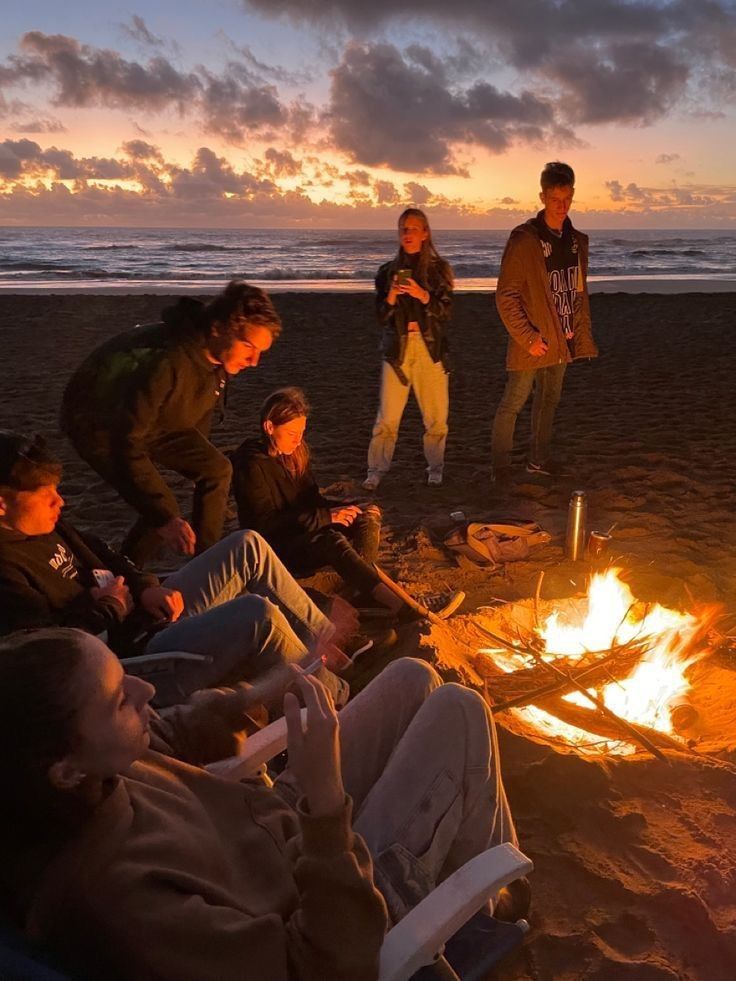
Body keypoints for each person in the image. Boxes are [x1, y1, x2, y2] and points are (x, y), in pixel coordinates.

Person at [0, 627, 520, 980]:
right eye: (119, 698)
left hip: (281, 834)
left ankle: (488, 893)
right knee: (460, 711)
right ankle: (495, 903)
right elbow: (322, 965)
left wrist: (251, 695)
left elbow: (169, 729)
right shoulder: (117, 901)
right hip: (343, 910)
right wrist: (324, 799)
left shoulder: (94, 771)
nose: (146, 689)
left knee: (412, 676)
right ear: (64, 769)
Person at [0, 430, 352, 708]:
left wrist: (145, 587)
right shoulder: (8, 571)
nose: (60, 501)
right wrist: (108, 608)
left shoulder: (45, 525)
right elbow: (48, 660)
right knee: (257, 614)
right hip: (131, 662)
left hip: (146, 615)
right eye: (45, 495)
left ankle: (331, 650)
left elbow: (109, 555)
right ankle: (338, 696)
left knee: (248, 546)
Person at [60, 280, 282, 566]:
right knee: (161, 510)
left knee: (216, 469)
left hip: (158, 418)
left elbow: (197, 419)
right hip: (100, 424)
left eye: (261, 352)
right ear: (218, 328)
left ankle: (208, 565)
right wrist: (163, 516)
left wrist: (195, 468)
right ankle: (126, 570)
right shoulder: (168, 361)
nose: (254, 361)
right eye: (249, 346)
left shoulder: (217, 360)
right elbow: (125, 441)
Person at [232, 387, 464, 620]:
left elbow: (310, 499)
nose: (298, 439)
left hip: (302, 527)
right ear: (269, 427)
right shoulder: (251, 465)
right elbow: (264, 526)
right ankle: (399, 605)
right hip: (278, 548)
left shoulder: (294, 453)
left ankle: (364, 590)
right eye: (292, 432)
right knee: (332, 540)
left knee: (365, 515)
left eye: (302, 432)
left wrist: (343, 509)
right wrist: (326, 517)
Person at [491, 162, 598, 486]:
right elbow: (505, 296)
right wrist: (528, 338)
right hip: (534, 341)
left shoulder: (577, 241)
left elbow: (577, 290)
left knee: (548, 403)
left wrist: (578, 333)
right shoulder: (525, 240)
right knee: (513, 403)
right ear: (543, 196)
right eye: (555, 199)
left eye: (566, 198)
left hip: (563, 340)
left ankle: (538, 461)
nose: (561, 206)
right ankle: (500, 469)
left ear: (573, 195)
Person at [364, 208, 453, 491]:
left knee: (436, 418)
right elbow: (381, 317)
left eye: (413, 228)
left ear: (425, 233)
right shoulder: (387, 272)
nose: (407, 234)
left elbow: (446, 312)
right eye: (403, 228)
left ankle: (435, 469)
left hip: (429, 349)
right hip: (398, 350)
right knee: (387, 418)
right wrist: (391, 295)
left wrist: (422, 294)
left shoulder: (439, 271)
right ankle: (376, 470)